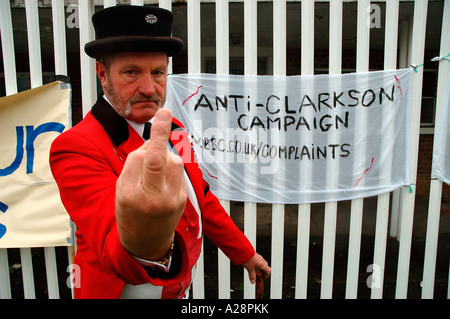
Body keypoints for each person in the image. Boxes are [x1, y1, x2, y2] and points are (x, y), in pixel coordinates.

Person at [50, 5, 271, 299]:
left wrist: (244, 253)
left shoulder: (175, 129)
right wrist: (147, 237)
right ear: (102, 73)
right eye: (131, 72)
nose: (148, 87)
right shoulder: (76, 147)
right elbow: (112, 247)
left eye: (157, 73)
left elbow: (200, 196)